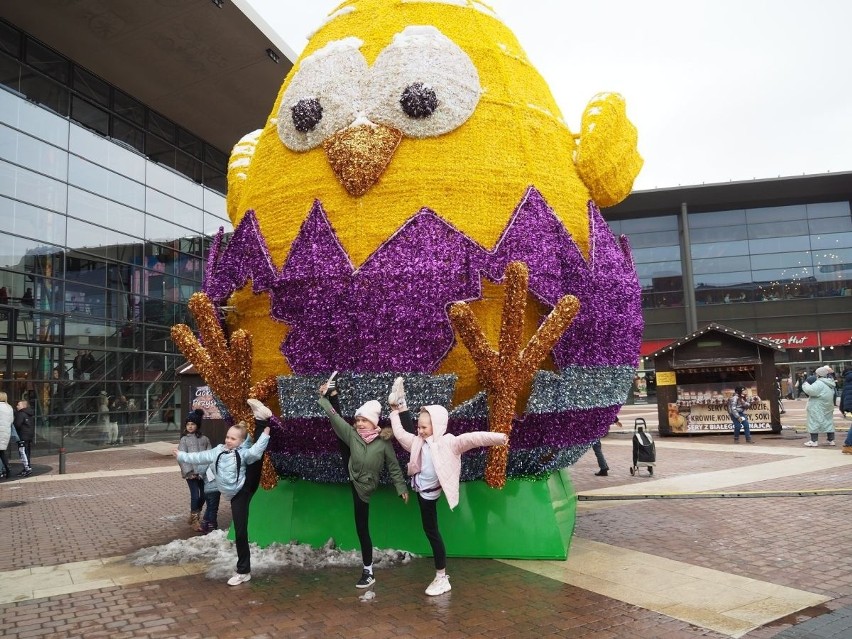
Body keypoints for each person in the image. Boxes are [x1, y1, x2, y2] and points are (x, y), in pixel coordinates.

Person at [388, 377, 507, 596]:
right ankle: (400, 403)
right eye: (419, 426)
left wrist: (499, 438)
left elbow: (473, 438)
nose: (420, 430)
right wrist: (394, 413)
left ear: (437, 426)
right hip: (420, 491)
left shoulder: (449, 443)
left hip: (430, 495)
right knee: (430, 530)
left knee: (432, 532)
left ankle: (442, 578)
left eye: (424, 427)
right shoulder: (417, 441)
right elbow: (400, 433)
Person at [317, 381, 409, 589]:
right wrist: (324, 400)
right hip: (352, 471)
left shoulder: (383, 443)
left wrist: (401, 488)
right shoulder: (353, 434)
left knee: (362, 528)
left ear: (373, 422)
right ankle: (332, 393)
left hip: (365, 486)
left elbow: (394, 467)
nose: (359, 423)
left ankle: (368, 571)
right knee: (342, 434)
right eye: (357, 420)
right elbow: (335, 418)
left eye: (364, 420)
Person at [173, 400, 271, 585]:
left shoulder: (242, 452)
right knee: (253, 458)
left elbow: (256, 451)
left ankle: (243, 571)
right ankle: (261, 419)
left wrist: (265, 435)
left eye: (233, 439)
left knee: (254, 460)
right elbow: (200, 457)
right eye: (227, 437)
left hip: (244, 488)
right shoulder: (218, 451)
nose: (228, 440)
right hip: (232, 493)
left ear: (241, 442)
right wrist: (181, 455)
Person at [176, 409, 211, 531]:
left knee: (205, 495)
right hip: (191, 474)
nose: (190, 426)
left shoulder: (205, 439)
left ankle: (194, 514)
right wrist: (189, 472)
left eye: (193, 424)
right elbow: (181, 458)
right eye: (188, 424)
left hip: (203, 473)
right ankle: (195, 519)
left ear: (197, 425)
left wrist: (205, 470)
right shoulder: (184, 440)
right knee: (195, 496)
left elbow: (209, 456)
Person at [802, 366, 836, 447]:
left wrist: (805, 384)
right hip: (827, 405)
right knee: (828, 422)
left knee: (814, 422)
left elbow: (810, 391)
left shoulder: (819, 383)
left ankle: (814, 441)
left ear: (818, 374)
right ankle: (831, 440)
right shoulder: (829, 382)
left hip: (817, 406)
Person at [14, 399, 34, 476]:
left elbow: (17, 425)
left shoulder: (21, 414)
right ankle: (27, 466)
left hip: (23, 435)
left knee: (22, 452)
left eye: (18, 405)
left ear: (23, 406)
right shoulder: (29, 414)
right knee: (27, 452)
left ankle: (27, 468)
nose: (17, 406)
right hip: (29, 435)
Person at [0, 392, 13, 479]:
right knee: (1, 452)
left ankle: (5, 469)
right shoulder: (9, 407)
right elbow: (11, 421)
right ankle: (7, 468)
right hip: (5, 432)